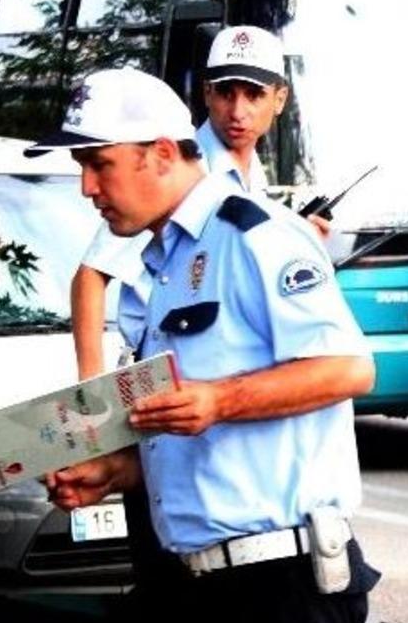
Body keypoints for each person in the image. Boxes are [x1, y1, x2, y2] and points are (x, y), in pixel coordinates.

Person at [0, 67, 403, 623]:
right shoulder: (160, 262)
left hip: (275, 586)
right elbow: (185, 431)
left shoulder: (258, 237)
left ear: (162, 153)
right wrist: (116, 471)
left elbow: (348, 368)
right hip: (183, 589)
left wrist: (219, 399)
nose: (88, 187)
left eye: (99, 164)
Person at [71, 24, 329, 380]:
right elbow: (90, 275)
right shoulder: (179, 169)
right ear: (207, 93)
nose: (238, 111)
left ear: (279, 99)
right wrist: (91, 389)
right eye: (225, 92)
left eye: (254, 94)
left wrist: (293, 241)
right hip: (160, 366)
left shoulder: (253, 173)